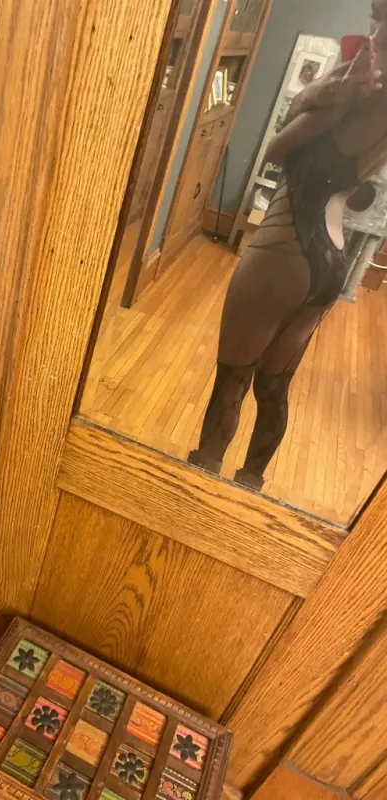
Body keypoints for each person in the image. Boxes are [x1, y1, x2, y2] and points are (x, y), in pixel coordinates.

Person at [188, 1, 387, 491]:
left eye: (380, 17)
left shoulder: (361, 88)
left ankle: (196, 491)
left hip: (285, 246)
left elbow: (278, 147)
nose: (373, 27)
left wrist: (325, 94)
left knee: (232, 382)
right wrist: (325, 92)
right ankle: (250, 484)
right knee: (274, 388)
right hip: (332, 255)